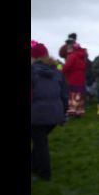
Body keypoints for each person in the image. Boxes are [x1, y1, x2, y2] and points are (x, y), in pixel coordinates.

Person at [31, 42, 68, 181]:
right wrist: (63, 112)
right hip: (55, 113)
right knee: (40, 140)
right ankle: (34, 166)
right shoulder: (57, 71)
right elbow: (64, 93)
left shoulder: (32, 71)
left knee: (40, 143)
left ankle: (45, 173)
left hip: (37, 113)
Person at [62, 41, 87, 117]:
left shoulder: (72, 56)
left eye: (69, 48)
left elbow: (67, 66)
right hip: (81, 78)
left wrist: (60, 70)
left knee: (73, 95)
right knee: (79, 94)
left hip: (73, 77)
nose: (67, 50)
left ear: (72, 48)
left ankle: (72, 111)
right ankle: (79, 111)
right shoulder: (82, 56)